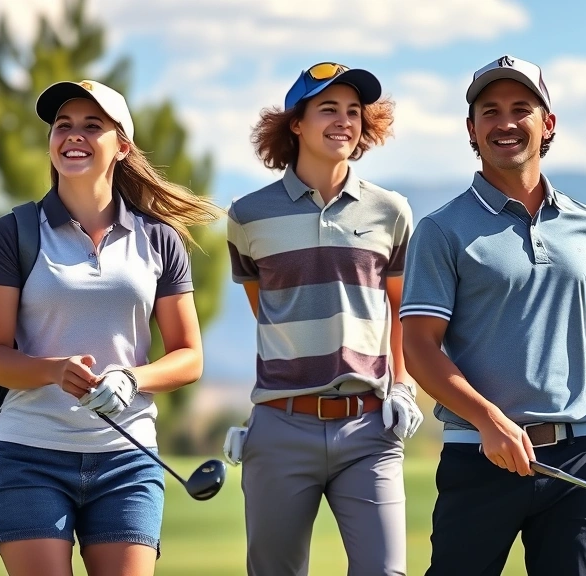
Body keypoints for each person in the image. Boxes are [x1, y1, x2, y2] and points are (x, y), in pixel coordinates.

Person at [401, 54, 586, 576]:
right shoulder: (441, 229)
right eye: (489, 111)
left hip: (579, 455)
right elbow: (419, 348)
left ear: (548, 124)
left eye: (522, 108)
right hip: (480, 454)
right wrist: (487, 419)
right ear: (471, 130)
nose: (505, 123)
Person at [0, 79, 220, 576]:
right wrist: (53, 370)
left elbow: (189, 355)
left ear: (122, 147)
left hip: (126, 459)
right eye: (62, 126)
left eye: (92, 126)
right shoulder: (13, 233)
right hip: (30, 454)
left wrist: (132, 379)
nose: (73, 135)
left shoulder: (159, 239)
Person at [226, 62, 421, 576]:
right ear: (296, 123)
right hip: (280, 426)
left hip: (369, 427)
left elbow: (401, 307)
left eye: (354, 112)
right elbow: (266, 309)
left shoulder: (391, 210)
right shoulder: (248, 216)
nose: (344, 121)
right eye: (328, 109)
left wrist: (400, 386)